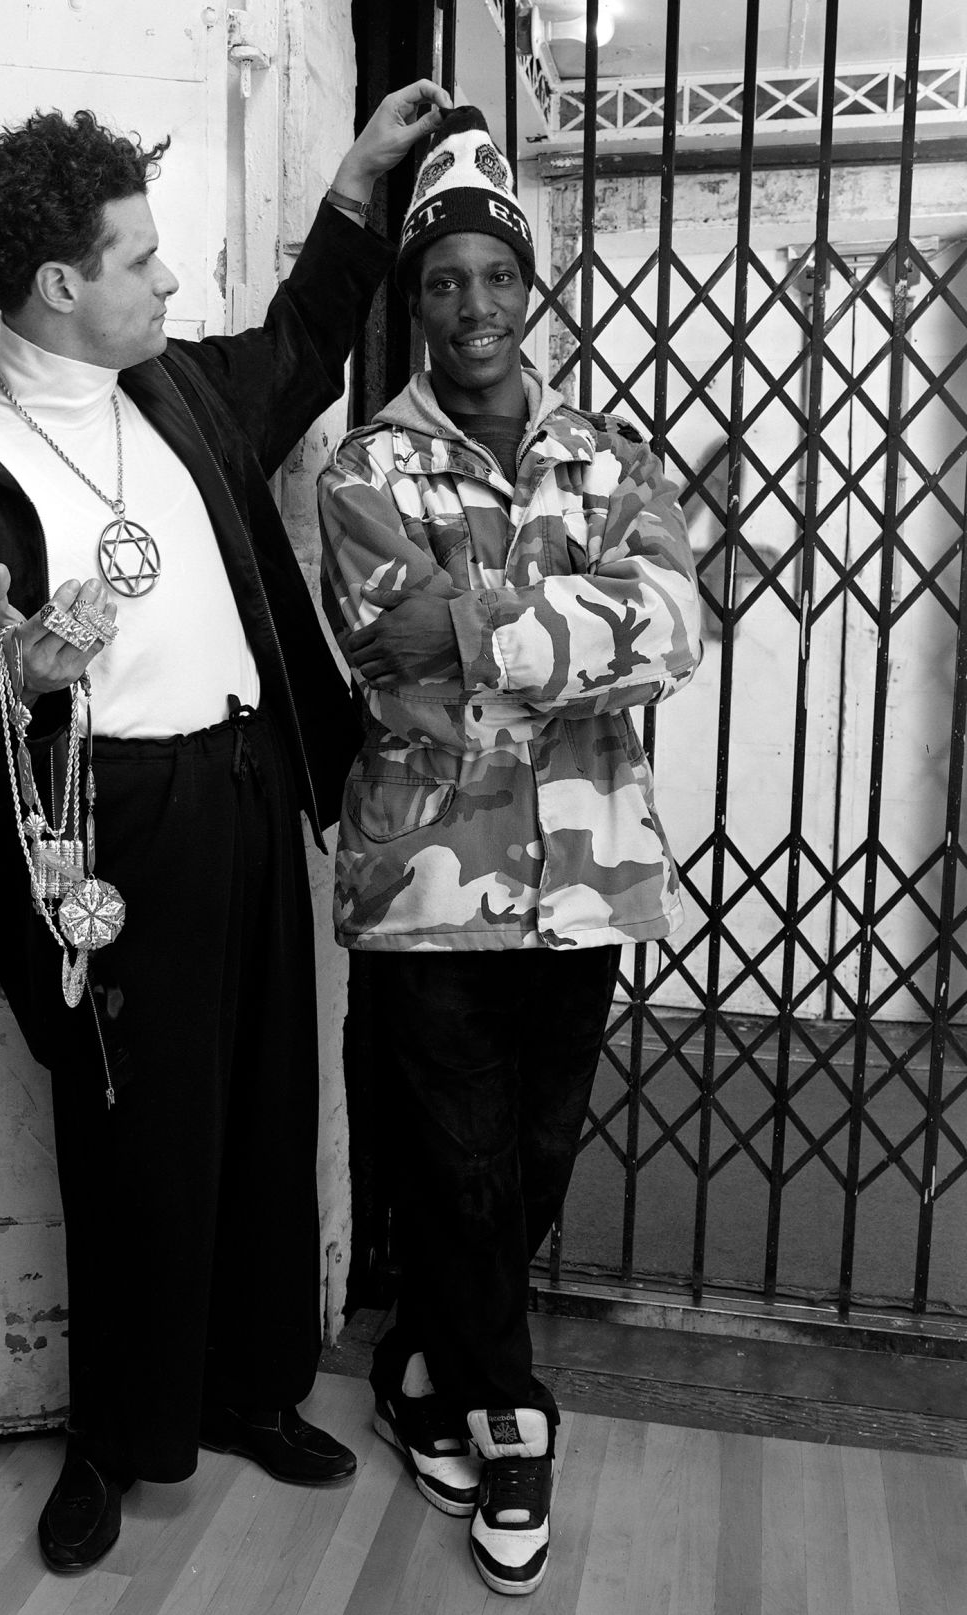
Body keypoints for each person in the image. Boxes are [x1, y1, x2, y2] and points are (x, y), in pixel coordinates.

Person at [0, 82, 452, 1575]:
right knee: (138, 1144)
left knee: (268, 1107)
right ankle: (117, 1436)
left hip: (256, 793)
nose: (171, 279)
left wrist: (354, 191)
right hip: (116, 840)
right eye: (141, 260)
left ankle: (250, 1392)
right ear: (61, 286)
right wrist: (12, 673)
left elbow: (300, 342)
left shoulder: (183, 394)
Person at [317, 106, 701, 1598]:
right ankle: (512, 1420)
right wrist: (571, 625)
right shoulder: (365, 470)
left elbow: (674, 632)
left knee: (532, 1157)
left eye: (496, 279)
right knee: (457, 1164)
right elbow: (385, 664)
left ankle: (422, 1366)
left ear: (529, 289)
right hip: (426, 882)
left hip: (588, 878)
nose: (472, 310)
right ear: (412, 303)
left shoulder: (611, 455)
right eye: (441, 285)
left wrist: (478, 624)